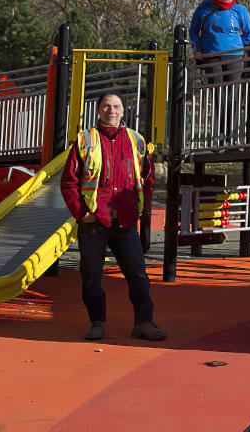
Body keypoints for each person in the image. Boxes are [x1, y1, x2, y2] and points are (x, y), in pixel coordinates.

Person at [60, 93, 166, 342]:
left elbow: (147, 177)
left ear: (122, 110)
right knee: (91, 275)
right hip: (94, 222)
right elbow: (69, 182)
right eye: (107, 106)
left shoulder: (136, 140)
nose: (112, 111)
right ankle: (97, 322)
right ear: (98, 111)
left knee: (138, 274)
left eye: (116, 107)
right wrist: (82, 213)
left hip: (126, 220)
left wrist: (143, 205)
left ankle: (144, 322)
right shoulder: (85, 140)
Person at [189, 0, 250, 141]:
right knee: (219, 94)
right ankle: (219, 133)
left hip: (234, 57)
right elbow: (193, 30)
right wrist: (197, 49)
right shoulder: (205, 7)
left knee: (233, 94)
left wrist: (239, 47)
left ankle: (231, 134)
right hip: (212, 56)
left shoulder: (240, 10)